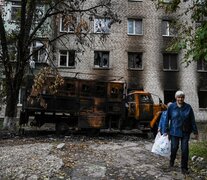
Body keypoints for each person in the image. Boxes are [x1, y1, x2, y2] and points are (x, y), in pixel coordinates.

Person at [163, 90, 198, 174]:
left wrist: (195, 132)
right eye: (179, 97)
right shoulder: (171, 107)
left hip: (185, 132)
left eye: (182, 97)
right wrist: (166, 130)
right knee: (174, 148)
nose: (180, 99)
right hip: (174, 131)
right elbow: (166, 118)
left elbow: (192, 120)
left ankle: (184, 168)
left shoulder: (188, 107)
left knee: (185, 149)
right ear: (176, 98)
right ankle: (171, 162)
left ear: (184, 98)